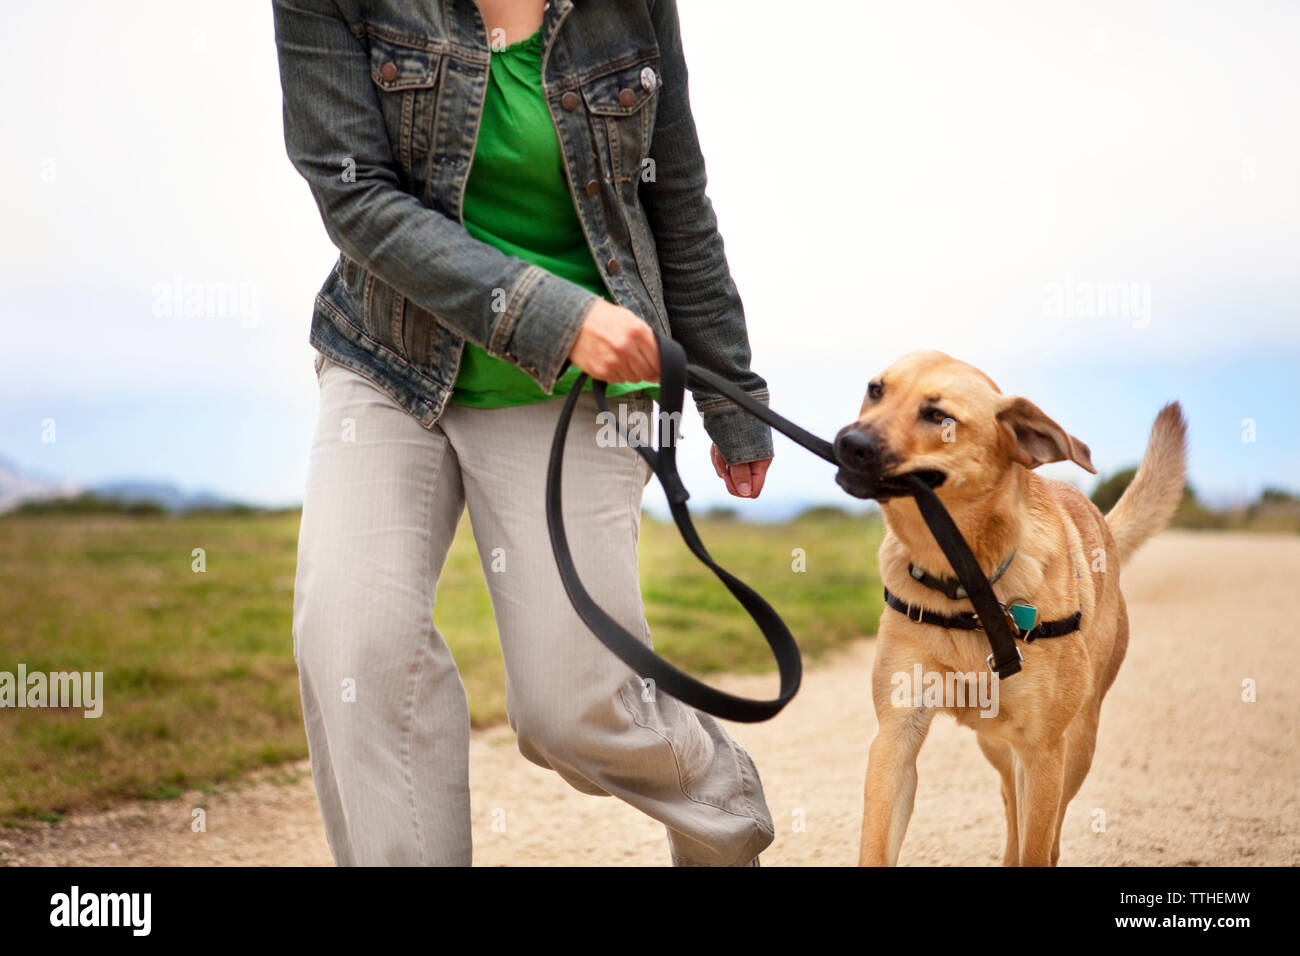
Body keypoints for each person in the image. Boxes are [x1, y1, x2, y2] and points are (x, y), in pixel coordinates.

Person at [273, 0, 776, 865]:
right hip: (388, 357)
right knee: (353, 646)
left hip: (587, 384)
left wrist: (730, 396)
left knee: (570, 709)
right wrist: (549, 314)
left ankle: (723, 816)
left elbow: (677, 197)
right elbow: (353, 194)